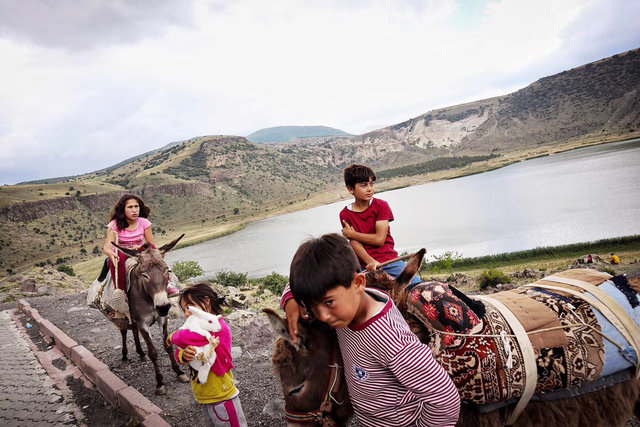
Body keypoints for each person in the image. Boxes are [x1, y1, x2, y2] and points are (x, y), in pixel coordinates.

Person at [288, 233, 460, 427]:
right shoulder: (350, 304)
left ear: (359, 284)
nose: (323, 316)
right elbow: (312, 271)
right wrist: (291, 301)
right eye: (312, 307)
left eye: (329, 302)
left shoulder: (388, 337)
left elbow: (445, 398)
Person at [169, 283, 247, 427]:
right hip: (204, 397)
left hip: (223, 397)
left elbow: (182, 338)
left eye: (189, 307)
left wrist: (172, 336)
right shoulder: (196, 330)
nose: (186, 313)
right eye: (184, 309)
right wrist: (184, 356)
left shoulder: (219, 328)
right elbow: (180, 349)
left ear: (206, 302)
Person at [339, 164, 422, 286]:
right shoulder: (345, 214)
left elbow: (379, 239)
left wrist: (352, 234)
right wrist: (371, 262)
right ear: (351, 189)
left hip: (389, 261)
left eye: (371, 184)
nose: (369, 189)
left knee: (416, 286)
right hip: (364, 266)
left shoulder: (381, 206)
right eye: (363, 185)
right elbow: (354, 243)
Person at [102, 194, 179, 305]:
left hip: (140, 251)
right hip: (122, 251)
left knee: (155, 254)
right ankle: (121, 294)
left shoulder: (144, 222)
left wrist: (142, 248)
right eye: (130, 207)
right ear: (122, 209)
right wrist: (111, 254)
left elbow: (151, 244)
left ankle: (168, 283)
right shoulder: (114, 225)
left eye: (136, 206)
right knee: (117, 259)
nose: (134, 210)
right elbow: (107, 247)